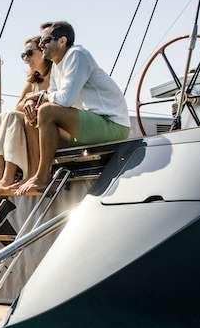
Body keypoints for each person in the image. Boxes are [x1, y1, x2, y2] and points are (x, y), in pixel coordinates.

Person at [13, 20, 131, 196]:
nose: (41, 45)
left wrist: (40, 97)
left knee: (46, 111)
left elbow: (64, 100)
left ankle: (42, 177)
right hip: (90, 124)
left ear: (62, 41)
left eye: (45, 41)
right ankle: (33, 174)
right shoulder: (56, 66)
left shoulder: (77, 55)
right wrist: (33, 104)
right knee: (35, 116)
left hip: (112, 124)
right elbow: (52, 97)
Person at [0, 36, 53, 198]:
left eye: (29, 53)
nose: (26, 59)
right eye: (23, 55)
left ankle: (8, 178)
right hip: (31, 119)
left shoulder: (56, 75)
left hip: (45, 122)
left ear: (43, 52)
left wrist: (32, 102)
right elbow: (19, 105)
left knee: (12, 116)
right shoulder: (33, 81)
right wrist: (29, 101)